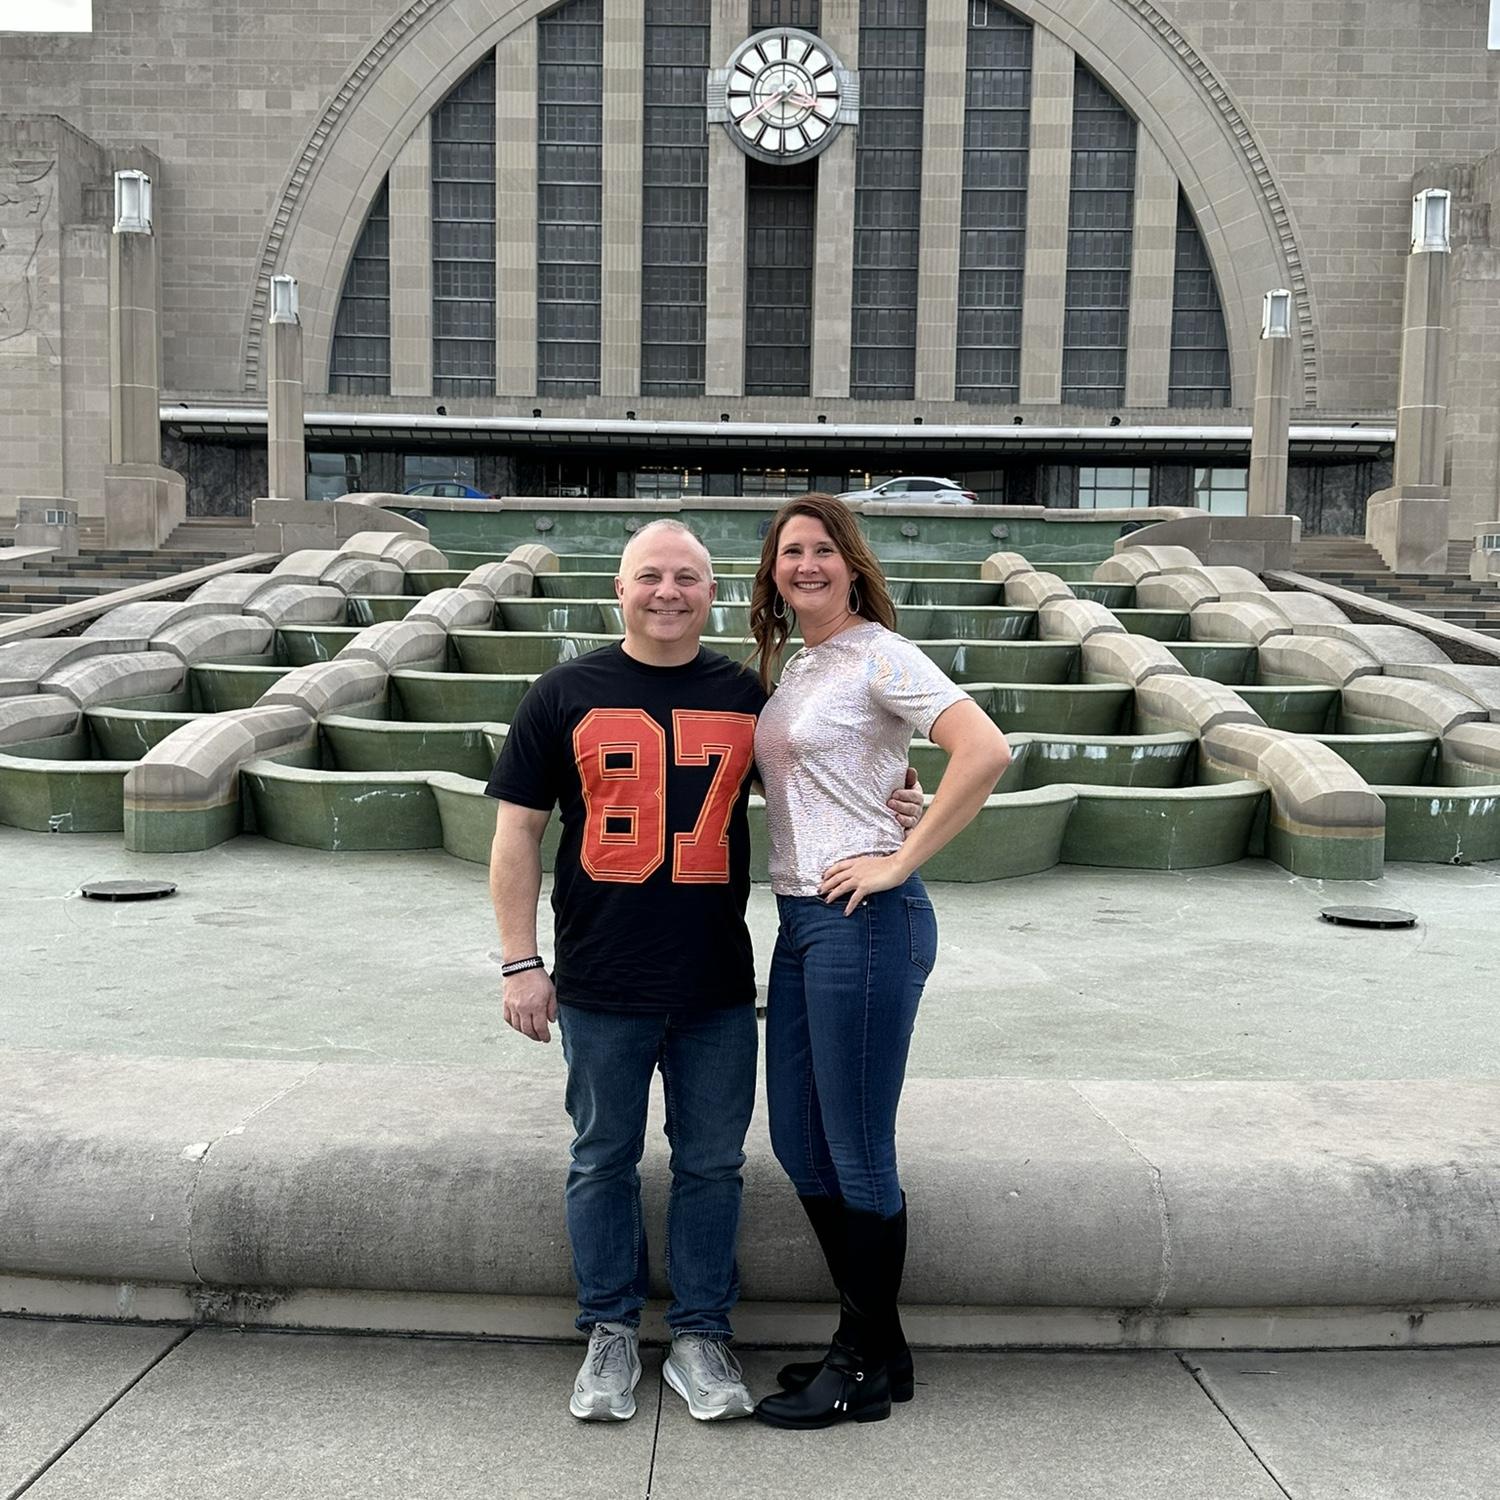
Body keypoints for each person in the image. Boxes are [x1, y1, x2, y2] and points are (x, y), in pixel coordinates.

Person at [486, 519, 922, 1425]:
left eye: (687, 577)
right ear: (619, 589)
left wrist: (899, 799)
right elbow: (516, 833)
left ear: (711, 593)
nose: (668, 592)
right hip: (600, 976)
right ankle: (610, 1328)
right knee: (600, 1158)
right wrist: (521, 963)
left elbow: (823, 768)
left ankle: (700, 1332)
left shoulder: (747, 695)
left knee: (714, 1165)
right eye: (650, 575)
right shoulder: (562, 691)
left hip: (716, 978)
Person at [746, 494, 1012, 1431]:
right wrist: (897, 797)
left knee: (857, 1150)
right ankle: (882, 1349)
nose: (806, 564)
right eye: (790, 552)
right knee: (798, 1142)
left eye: (823, 549)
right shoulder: (800, 665)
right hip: (802, 919)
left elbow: (985, 749)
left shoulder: (881, 654)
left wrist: (902, 856)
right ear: (773, 574)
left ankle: (856, 1360)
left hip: (866, 918)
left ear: (852, 565)